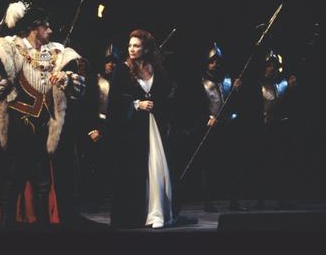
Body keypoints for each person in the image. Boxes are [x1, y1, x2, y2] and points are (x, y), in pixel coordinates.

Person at [0, 0, 93, 231]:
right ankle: (6, 226)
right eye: (46, 26)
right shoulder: (8, 48)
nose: (50, 31)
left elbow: (79, 77)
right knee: (13, 177)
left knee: (43, 179)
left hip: (46, 125)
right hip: (17, 123)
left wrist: (65, 78)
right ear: (34, 28)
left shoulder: (56, 51)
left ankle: (43, 227)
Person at [104, 29, 176, 229]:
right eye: (130, 45)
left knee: (156, 168)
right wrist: (136, 104)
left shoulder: (155, 68)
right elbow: (115, 100)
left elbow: (163, 96)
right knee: (135, 172)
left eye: (136, 45)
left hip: (154, 127)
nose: (132, 49)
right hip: (132, 130)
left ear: (145, 48)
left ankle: (156, 213)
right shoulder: (122, 69)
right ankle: (136, 215)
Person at [178, 43, 247, 212]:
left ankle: (235, 202)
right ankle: (208, 202)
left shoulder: (230, 81)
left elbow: (239, 106)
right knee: (207, 167)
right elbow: (194, 107)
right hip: (209, 130)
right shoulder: (200, 83)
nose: (215, 65)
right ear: (207, 64)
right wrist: (206, 120)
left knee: (232, 166)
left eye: (217, 62)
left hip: (228, 128)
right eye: (212, 62)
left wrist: (237, 91)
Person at [249, 49, 298, 210]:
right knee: (263, 165)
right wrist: (261, 120)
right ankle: (261, 199)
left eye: (274, 66)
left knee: (283, 165)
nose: (272, 68)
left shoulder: (285, 83)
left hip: (282, 129)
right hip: (265, 130)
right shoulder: (258, 84)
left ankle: (283, 198)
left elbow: (292, 106)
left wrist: (291, 88)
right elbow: (254, 108)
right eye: (269, 66)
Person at [79, 43, 120, 213]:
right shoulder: (94, 81)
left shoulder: (122, 82)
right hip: (98, 127)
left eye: (114, 61)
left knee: (117, 168)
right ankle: (93, 201)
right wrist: (91, 130)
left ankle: (119, 203)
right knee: (95, 167)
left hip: (117, 129)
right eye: (108, 61)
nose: (111, 65)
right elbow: (86, 108)